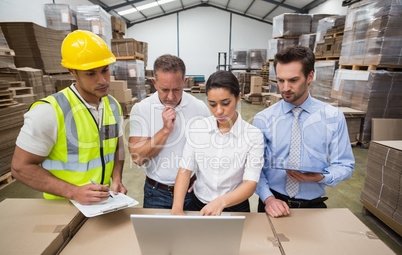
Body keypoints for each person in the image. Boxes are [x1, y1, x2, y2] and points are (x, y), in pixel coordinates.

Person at [11, 30, 127, 205]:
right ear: (72, 72)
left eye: (105, 70)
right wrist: (73, 192)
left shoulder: (112, 105)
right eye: (90, 73)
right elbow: (20, 168)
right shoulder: (49, 111)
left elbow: (116, 147)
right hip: (63, 206)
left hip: (101, 203)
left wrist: (116, 178)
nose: (102, 80)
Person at [253, 45, 355, 217]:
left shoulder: (333, 117)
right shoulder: (263, 119)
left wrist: (320, 177)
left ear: (310, 76)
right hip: (272, 204)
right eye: (280, 80)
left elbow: (345, 165)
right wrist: (268, 199)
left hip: (313, 208)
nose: (285, 88)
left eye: (293, 80)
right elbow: (254, 166)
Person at [172, 70, 264, 216]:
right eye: (212, 104)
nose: (219, 111)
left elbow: (249, 183)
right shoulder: (198, 128)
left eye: (225, 103)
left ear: (238, 98)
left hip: (235, 208)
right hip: (199, 204)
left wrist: (221, 202)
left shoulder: (253, 136)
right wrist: (177, 209)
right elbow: (185, 170)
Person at [128, 54, 210, 209]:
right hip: (156, 193)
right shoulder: (142, 109)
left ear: (185, 82)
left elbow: (209, 152)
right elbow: (137, 158)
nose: (171, 97)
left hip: (191, 191)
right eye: (165, 90)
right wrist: (165, 130)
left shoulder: (199, 109)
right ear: (154, 83)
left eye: (177, 89)